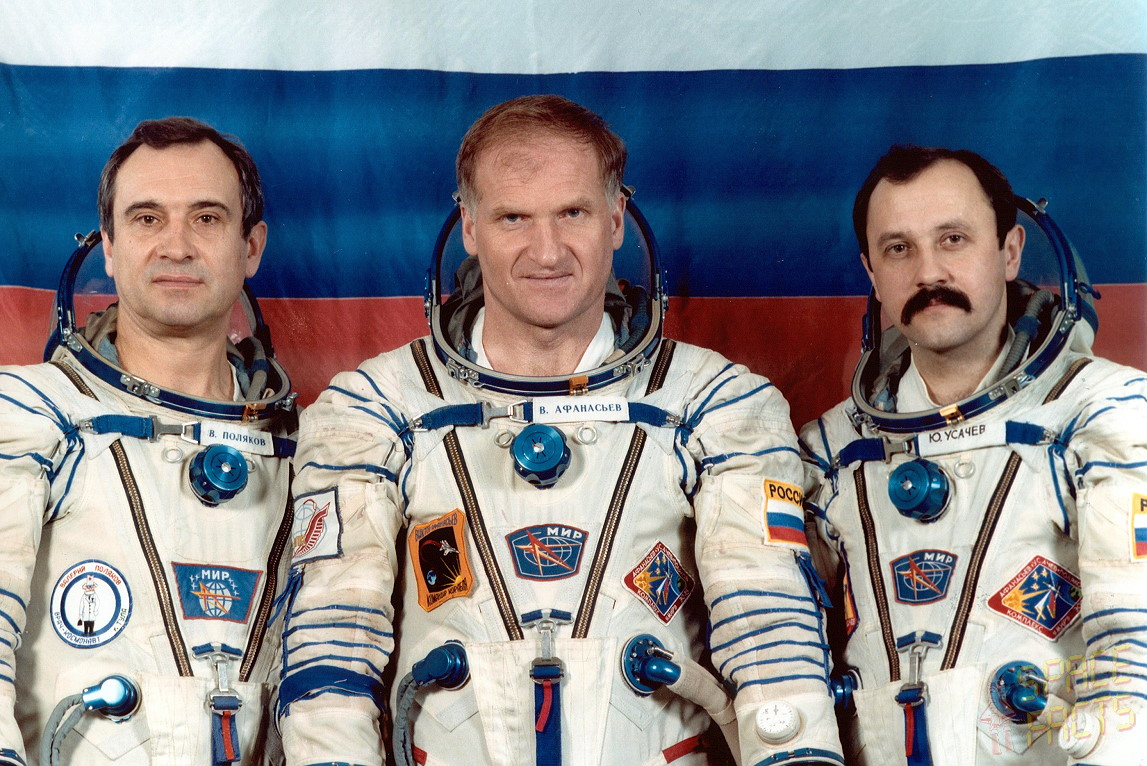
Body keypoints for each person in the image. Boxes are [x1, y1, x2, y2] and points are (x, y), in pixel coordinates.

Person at [277, 95, 844, 765]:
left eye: (572, 213)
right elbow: (332, 646)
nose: (546, 252)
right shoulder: (374, 408)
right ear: (469, 227)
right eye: (512, 217)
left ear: (615, 219)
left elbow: (771, 639)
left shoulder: (718, 404)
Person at [800, 145, 1147, 765]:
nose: (928, 272)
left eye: (953, 239)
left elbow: (1134, 651)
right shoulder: (831, 453)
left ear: (1009, 251)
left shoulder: (1105, 414)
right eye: (898, 248)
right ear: (872, 272)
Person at [0, 117, 297, 764]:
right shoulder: (30, 414)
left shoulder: (311, 452)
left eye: (207, 218)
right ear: (109, 246)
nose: (176, 247)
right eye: (146, 219)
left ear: (251, 247)